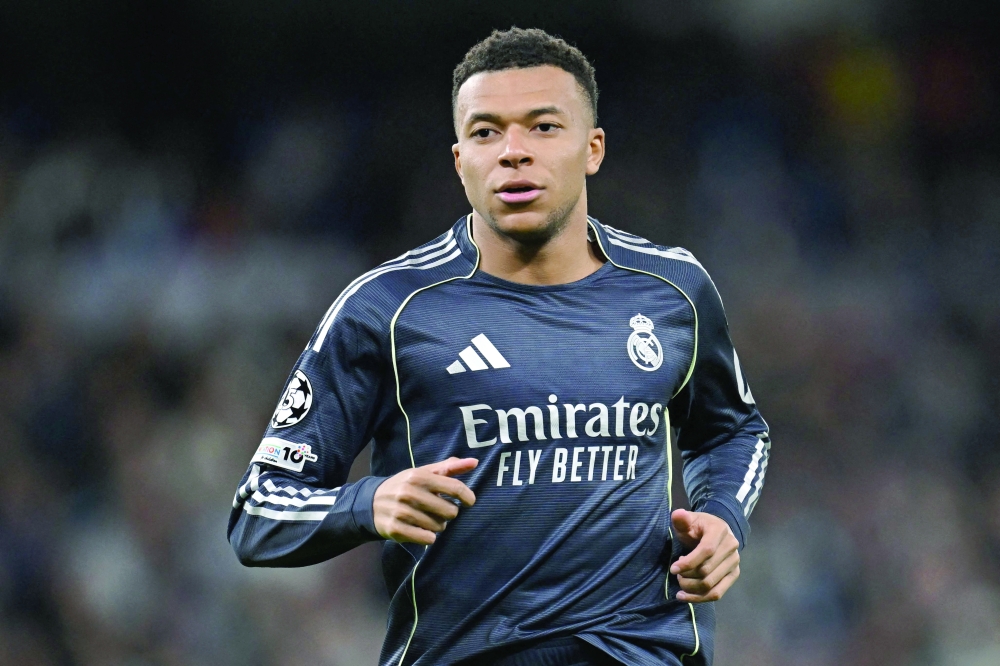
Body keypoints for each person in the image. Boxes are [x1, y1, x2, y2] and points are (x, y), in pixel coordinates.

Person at [228, 27, 771, 666]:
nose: (513, 152)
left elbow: (732, 432)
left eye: (543, 127)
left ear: (592, 148)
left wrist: (724, 518)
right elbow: (257, 513)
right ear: (460, 161)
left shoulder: (672, 290)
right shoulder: (388, 308)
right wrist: (367, 501)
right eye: (487, 132)